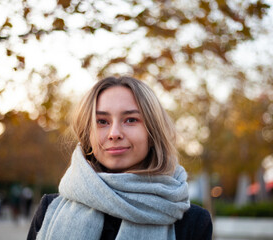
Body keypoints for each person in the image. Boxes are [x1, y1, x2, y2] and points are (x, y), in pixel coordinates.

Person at [27, 76, 212, 240]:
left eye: (131, 120)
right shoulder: (49, 209)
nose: (114, 134)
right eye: (102, 122)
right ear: (88, 135)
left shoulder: (194, 222)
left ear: (153, 133)